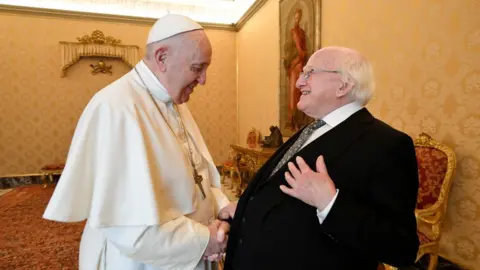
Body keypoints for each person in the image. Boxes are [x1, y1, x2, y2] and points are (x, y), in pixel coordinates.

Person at [43, 14, 233, 270]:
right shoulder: (116, 107)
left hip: (193, 249)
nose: (203, 80)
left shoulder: (172, 101)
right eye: (197, 68)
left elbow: (196, 174)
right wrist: (204, 239)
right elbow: (128, 228)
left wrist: (222, 208)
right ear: (162, 57)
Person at [223, 46, 420, 269]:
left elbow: (401, 247)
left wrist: (330, 202)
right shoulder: (310, 130)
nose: (298, 83)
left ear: (343, 85)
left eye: (310, 73)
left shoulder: (387, 144)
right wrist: (243, 208)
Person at [286, 8, 311, 130]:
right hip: (296, 64)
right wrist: (300, 56)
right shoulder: (294, 32)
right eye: (295, 17)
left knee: (298, 93)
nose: (297, 19)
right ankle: (293, 121)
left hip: (299, 65)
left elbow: (303, 49)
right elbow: (299, 50)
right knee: (293, 94)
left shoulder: (300, 32)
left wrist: (302, 56)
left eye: (298, 17)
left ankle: (298, 122)